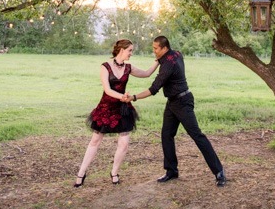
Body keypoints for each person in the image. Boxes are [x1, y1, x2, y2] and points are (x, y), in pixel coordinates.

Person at [123, 35, 226, 187]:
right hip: (172, 102)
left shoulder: (168, 65)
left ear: (164, 48)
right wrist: (159, 59)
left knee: (197, 135)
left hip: (183, 102)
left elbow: (153, 89)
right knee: (166, 135)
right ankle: (171, 171)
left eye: (156, 49)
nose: (154, 51)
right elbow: (166, 59)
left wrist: (133, 97)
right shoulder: (176, 53)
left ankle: (219, 172)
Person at [74, 39, 159, 187]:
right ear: (121, 50)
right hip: (106, 107)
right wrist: (123, 97)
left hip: (123, 108)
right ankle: (81, 172)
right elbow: (107, 90)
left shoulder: (128, 68)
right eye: (130, 50)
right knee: (95, 141)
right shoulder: (105, 67)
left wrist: (158, 61)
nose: (131, 53)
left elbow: (146, 74)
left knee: (124, 143)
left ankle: (114, 172)